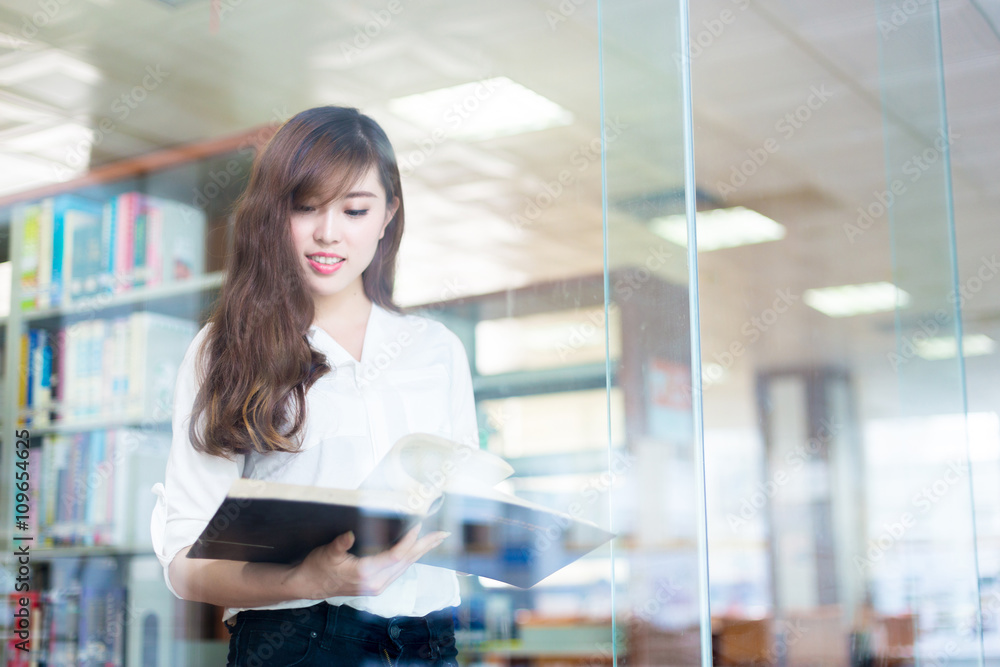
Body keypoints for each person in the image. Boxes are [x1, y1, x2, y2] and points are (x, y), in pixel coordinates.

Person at [149, 105, 480, 666]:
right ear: (273, 214)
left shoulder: (436, 350)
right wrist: (304, 577)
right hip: (299, 644)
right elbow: (183, 565)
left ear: (388, 214)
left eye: (355, 210)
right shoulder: (223, 350)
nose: (329, 233)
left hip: (430, 644)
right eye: (305, 208)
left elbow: (465, 512)